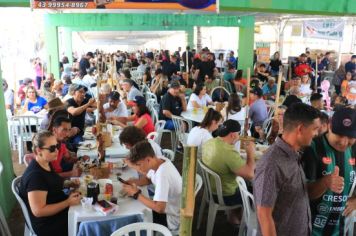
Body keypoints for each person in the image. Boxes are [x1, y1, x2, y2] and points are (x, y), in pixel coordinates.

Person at [254, 103, 320, 236]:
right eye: (315, 129)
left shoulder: (293, 154)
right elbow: (264, 215)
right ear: (300, 129)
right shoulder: (272, 163)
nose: (316, 133)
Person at [302, 107, 356, 236]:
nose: (344, 142)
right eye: (340, 134)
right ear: (330, 126)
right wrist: (325, 183)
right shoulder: (312, 147)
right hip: (308, 227)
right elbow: (304, 193)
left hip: (339, 228)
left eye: (350, 137)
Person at [19, 131, 81, 236]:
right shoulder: (35, 176)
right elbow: (39, 211)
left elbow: (51, 183)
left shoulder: (46, 163)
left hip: (58, 211)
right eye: (52, 148)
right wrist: (68, 202)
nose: (56, 151)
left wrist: (69, 184)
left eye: (57, 146)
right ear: (39, 151)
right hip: (48, 224)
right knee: (86, 222)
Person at [202, 119, 255, 224]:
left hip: (209, 188)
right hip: (224, 195)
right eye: (238, 134)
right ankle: (241, 221)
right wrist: (251, 153)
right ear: (232, 135)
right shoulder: (228, 152)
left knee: (242, 182)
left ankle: (233, 215)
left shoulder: (210, 142)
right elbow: (250, 174)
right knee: (252, 190)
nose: (239, 137)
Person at [122, 141, 182, 231]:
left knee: (133, 223)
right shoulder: (159, 160)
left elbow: (159, 208)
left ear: (148, 160)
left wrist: (136, 194)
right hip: (169, 208)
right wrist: (134, 182)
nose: (138, 168)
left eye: (139, 164)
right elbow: (149, 179)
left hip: (171, 218)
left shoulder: (163, 174)